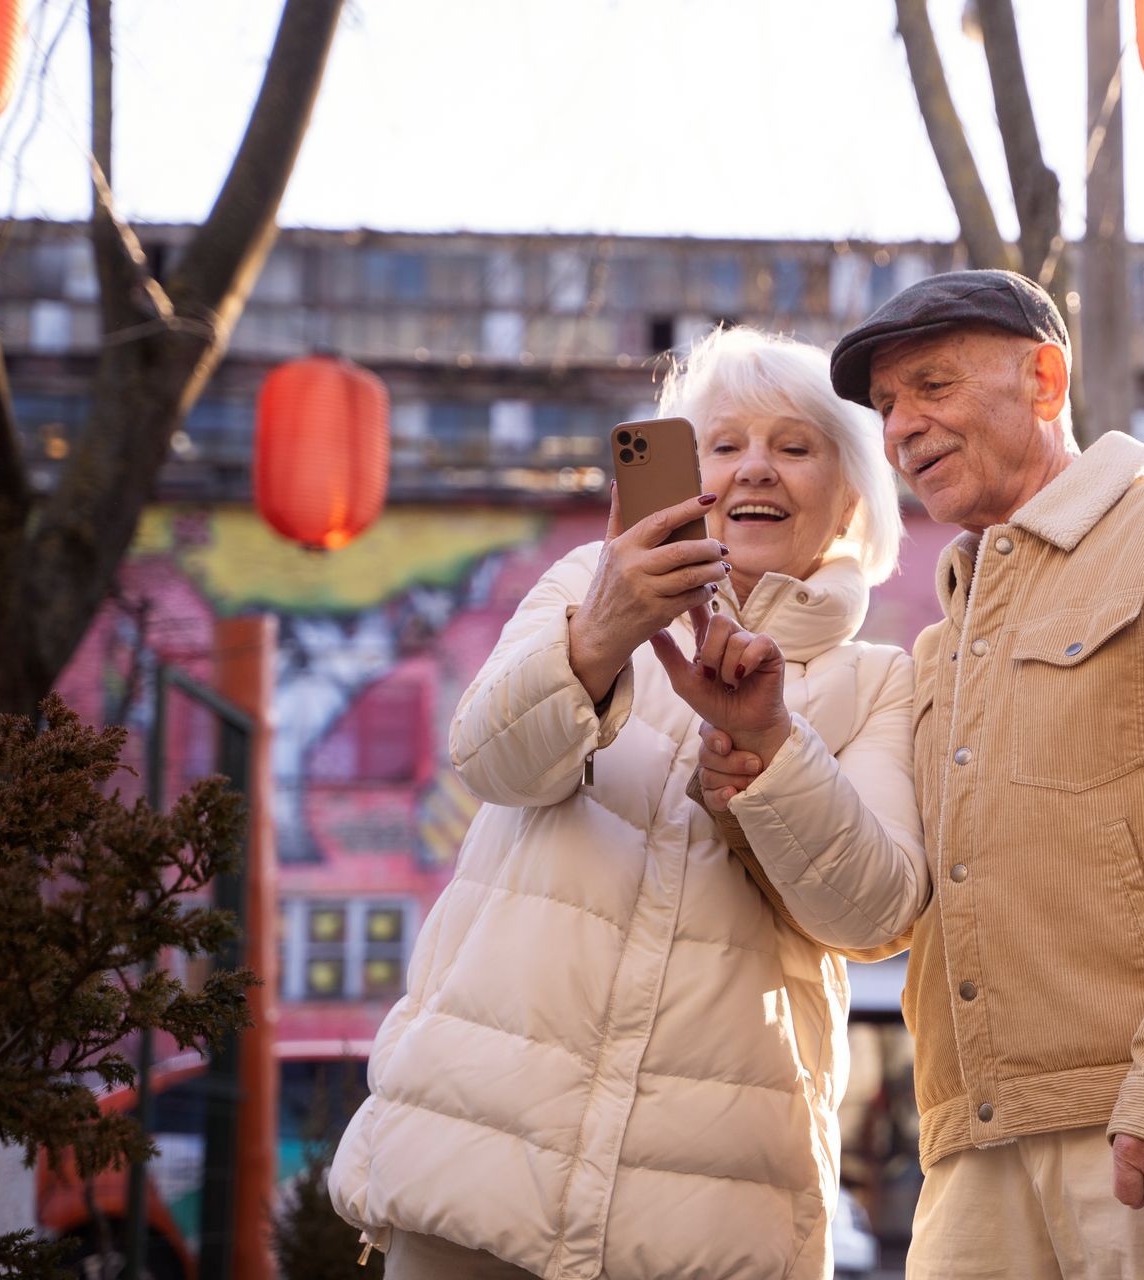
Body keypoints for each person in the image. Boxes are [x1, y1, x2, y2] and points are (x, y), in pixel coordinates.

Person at [701, 270, 1144, 1278]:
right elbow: (901, 909)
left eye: (934, 385)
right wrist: (764, 763)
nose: (903, 425)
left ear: (1046, 377)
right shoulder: (944, 642)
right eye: (890, 404)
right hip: (971, 1157)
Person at [328, 326, 929, 1280]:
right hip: (480, 1161)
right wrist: (602, 635)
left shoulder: (886, 681)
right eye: (723, 445)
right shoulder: (581, 587)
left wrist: (770, 749)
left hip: (712, 1212)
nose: (754, 470)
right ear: (682, 474)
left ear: (853, 493)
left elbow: (875, 914)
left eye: (795, 445)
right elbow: (491, 761)